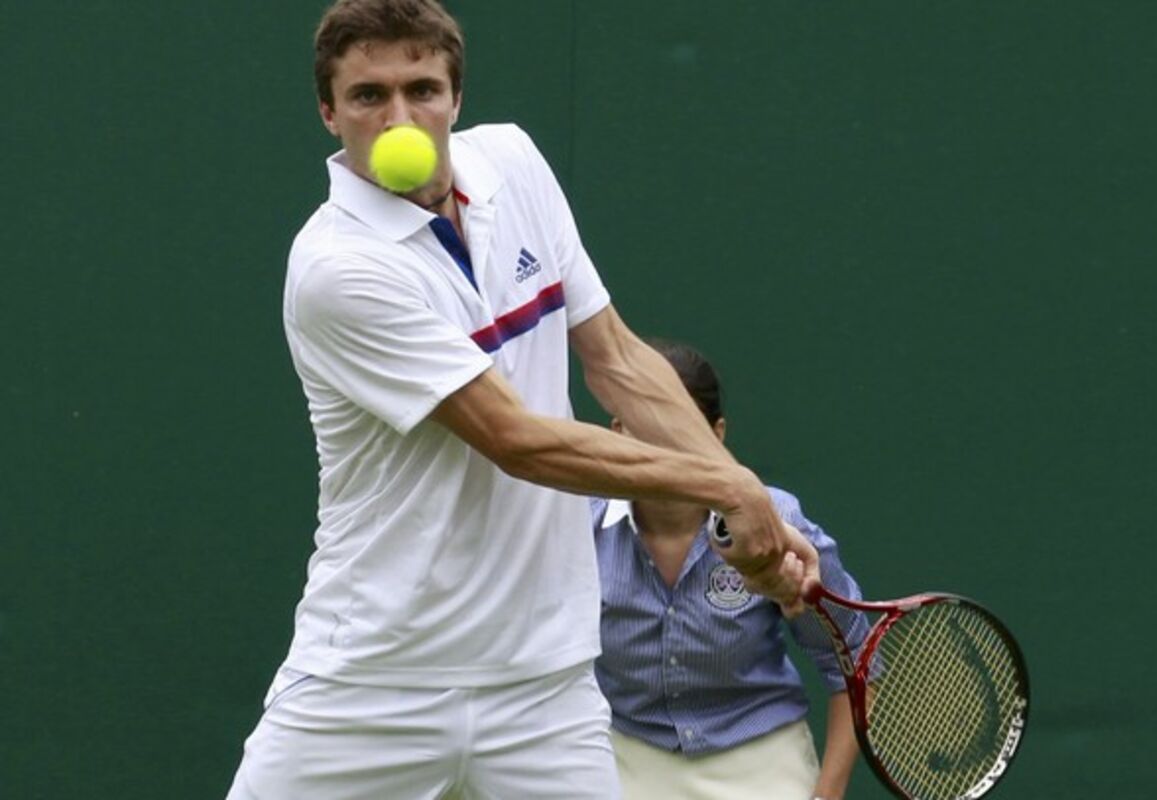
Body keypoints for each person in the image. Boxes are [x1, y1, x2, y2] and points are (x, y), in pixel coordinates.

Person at [226, 1, 820, 798]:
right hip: (376, 679)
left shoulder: (514, 164)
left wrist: (749, 513)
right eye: (369, 95)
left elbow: (618, 360)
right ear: (328, 113)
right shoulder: (338, 269)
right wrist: (732, 488)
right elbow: (516, 439)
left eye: (422, 89)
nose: (399, 117)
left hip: (546, 682)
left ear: (455, 98)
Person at [593, 340, 870, 800]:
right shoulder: (577, 526)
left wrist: (828, 794)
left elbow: (852, 660)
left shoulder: (780, 523)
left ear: (716, 434)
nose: (661, 450)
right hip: (624, 760)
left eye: (678, 431)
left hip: (762, 763)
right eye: (642, 428)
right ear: (617, 430)